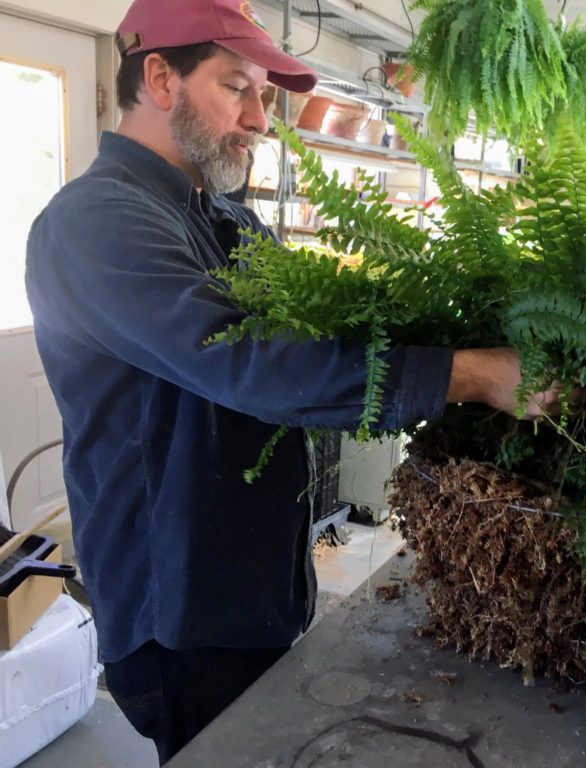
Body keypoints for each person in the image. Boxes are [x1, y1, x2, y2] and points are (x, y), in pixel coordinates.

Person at [24, 0, 558, 763]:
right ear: (160, 78)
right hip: (180, 617)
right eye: (237, 87)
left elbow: (320, 334)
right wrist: (471, 375)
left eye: (265, 97)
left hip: (257, 593)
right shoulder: (96, 224)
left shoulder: (227, 221)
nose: (260, 120)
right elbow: (248, 363)